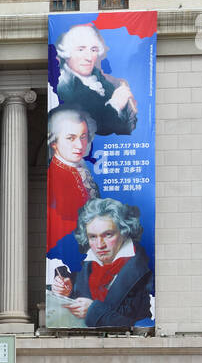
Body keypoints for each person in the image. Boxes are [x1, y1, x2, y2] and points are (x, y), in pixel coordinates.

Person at [51, 198, 153, 327]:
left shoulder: (147, 269)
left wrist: (93, 311)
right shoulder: (83, 266)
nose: (100, 245)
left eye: (108, 234)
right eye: (93, 237)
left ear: (124, 232)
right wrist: (66, 292)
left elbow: (145, 324)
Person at [53, 23, 138, 136]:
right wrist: (115, 104)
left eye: (93, 50)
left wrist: (125, 107)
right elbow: (90, 129)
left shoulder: (110, 83)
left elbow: (129, 128)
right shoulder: (63, 86)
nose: (89, 57)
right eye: (81, 49)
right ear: (66, 52)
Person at [47, 107, 100, 250]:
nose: (79, 145)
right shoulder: (56, 175)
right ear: (54, 142)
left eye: (83, 137)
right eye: (71, 138)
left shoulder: (82, 168)